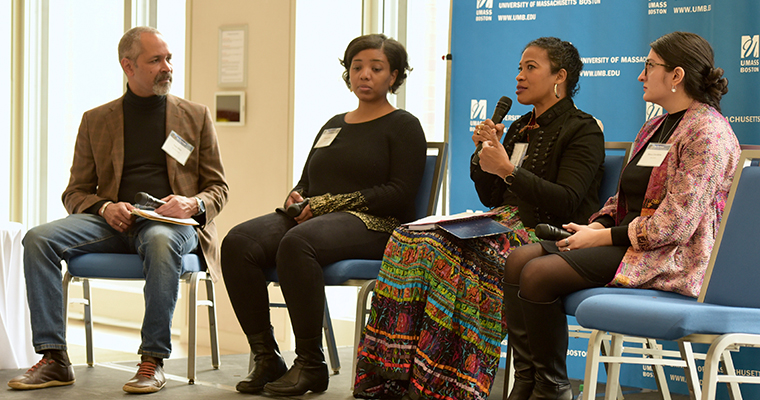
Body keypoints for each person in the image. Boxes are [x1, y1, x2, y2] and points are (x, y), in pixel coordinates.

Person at [354, 37, 604, 400]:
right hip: (500, 220)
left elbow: (566, 201)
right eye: (519, 67)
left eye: (530, 68)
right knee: (410, 238)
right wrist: (482, 157)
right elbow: (491, 197)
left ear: (559, 77)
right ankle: (392, 375)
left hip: (546, 232)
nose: (519, 76)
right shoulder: (519, 127)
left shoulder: (583, 129)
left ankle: (449, 383)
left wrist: (507, 169)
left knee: (469, 258)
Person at [503, 31, 741, 400]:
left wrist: (600, 238)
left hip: (670, 257)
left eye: (649, 66)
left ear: (676, 75)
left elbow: (675, 225)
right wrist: (595, 224)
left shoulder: (708, 133)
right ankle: (528, 380)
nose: (641, 75)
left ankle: (552, 389)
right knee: (518, 259)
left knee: (537, 273)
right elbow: (621, 201)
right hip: (629, 242)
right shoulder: (654, 126)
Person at [7, 27, 228, 394]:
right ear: (128, 66)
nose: (166, 67)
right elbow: (75, 192)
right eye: (155, 60)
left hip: (172, 224)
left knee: (159, 241)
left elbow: (219, 188)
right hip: (114, 222)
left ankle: (151, 360)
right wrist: (105, 206)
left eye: (168, 58)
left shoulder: (195, 116)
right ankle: (55, 358)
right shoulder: (96, 120)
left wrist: (193, 202)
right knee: (37, 239)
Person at [220, 33, 426, 396]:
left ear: (393, 76)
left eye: (375, 68)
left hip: (378, 224)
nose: (364, 75)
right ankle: (266, 356)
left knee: (298, 242)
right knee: (239, 241)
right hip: (319, 218)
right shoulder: (334, 123)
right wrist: (296, 197)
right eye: (356, 67)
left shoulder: (404, 125)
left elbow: (400, 193)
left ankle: (310, 364)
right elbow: (308, 180)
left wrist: (327, 204)